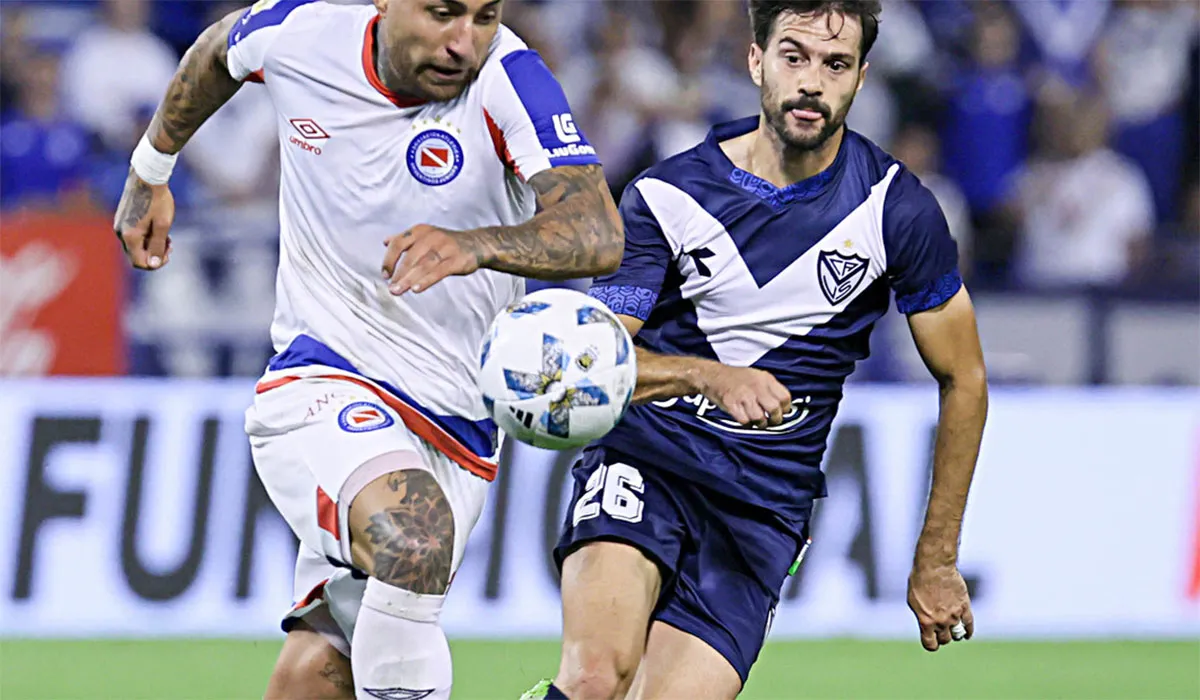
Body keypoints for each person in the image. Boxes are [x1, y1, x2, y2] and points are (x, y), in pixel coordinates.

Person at [109, 0, 622, 698]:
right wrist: (151, 169)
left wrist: (476, 248)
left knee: (322, 668)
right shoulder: (302, 35)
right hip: (321, 378)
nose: (462, 42)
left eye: (483, 16)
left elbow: (597, 229)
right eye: (443, 14)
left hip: (458, 427)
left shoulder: (509, 76)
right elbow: (217, 51)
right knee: (413, 539)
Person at [524, 2, 988, 699]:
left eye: (834, 65)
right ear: (755, 61)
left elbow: (966, 378)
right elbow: (598, 363)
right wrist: (710, 377)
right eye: (792, 56)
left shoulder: (897, 210)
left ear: (861, 78)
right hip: (647, 461)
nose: (811, 82)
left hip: (762, 506)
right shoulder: (668, 194)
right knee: (596, 677)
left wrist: (937, 557)